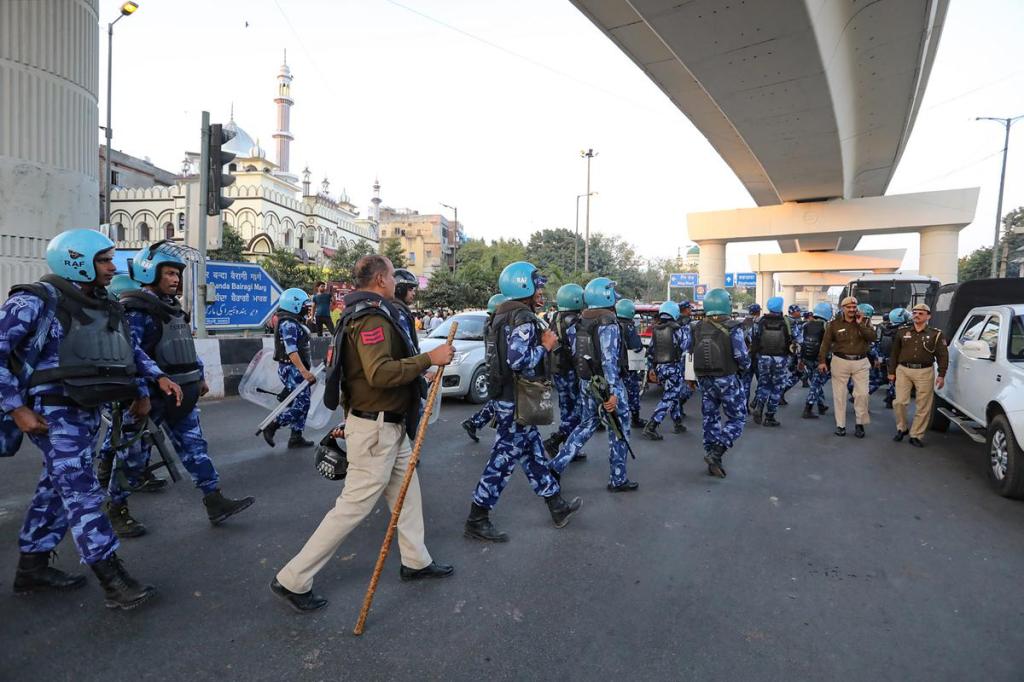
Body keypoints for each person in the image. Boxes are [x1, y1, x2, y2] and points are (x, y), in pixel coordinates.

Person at [1, 228, 184, 609]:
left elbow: (127, 352)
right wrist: (16, 408)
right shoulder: (35, 301)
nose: (112, 267)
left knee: (56, 486)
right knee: (82, 490)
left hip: (86, 409)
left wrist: (153, 381)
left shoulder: (106, 303)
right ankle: (112, 578)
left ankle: (32, 567)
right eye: (103, 260)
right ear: (75, 261)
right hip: (51, 410)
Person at [271, 255, 456, 613]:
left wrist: (419, 375)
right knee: (353, 507)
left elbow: (353, 375)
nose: (393, 281)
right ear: (381, 279)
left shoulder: (364, 312)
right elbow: (379, 374)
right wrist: (428, 359)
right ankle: (292, 579)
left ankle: (416, 560)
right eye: (390, 274)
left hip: (388, 424)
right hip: (376, 428)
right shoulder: (371, 316)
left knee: (407, 491)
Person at [94, 241, 255, 538]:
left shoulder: (173, 309)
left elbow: (185, 347)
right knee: (131, 459)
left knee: (196, 450)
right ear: (150, 272)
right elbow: (130, 356)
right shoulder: (136, 309)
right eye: (168, 273)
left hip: (182, 394)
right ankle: (116, 509)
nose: (175, 279)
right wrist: (140, 395)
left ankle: (214, 500)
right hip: (150, 400)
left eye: (177, 274)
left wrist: (200, 377)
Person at [465, 262, 582, 542]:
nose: (541, 290)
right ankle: (477, 517)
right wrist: (545, 345)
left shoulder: (500, 315)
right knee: (503, 459)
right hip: (516, 399)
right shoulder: (523, 318)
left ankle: (557, 506)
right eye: (537, 285)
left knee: (533, 454)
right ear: (524, 287)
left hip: (507, 397)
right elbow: (518, 361)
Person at [551, 277, 638, 492]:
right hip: (606, 386)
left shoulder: (579, 321)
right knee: (619, 430)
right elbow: (609, 360)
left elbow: (576, 354)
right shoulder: (607, 322)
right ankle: (618, 479)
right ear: (606, 296)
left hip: (587, 382)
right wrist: (613, 392)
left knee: (586, 424)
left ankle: (556, 465)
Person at [690, 288, 750, 478]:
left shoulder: (695, 327)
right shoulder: (733, 327)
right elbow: (742, 357)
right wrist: (745, 368)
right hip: (727, 379)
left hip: (704, 380)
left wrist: (690, 378)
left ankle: (711, 458)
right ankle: (717, 452)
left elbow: (688, 354)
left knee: (710, 418)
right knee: (738, 418)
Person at [262, 289, 317, 448]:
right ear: (294, 305)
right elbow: (291, 350)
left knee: (301, 402)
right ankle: (272, 425)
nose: (306, 309)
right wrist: (304, 372)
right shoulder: (288, 324)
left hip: (295, 368)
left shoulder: (294, 321)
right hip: (292, 369)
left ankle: (296, 436)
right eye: (303, 306)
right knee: (303, 403)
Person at [889, 303, 949, 447]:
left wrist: (941, 374)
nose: (916, 315)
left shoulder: (936, 334)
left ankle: (916, 435)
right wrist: (891, 371)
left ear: (928, 316)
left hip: (925, 371)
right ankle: (902, 428)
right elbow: (894, 353)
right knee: (900, 402)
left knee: (923, 405)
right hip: (903, 370)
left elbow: (942, 355)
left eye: (921, 313)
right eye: (915, 312)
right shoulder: (902, 331)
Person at [818, 296, 876, 438]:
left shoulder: (865, 321)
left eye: (854, 307)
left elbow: (872, 338)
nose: (851, 309)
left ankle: (860, 424)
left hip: (861, 362)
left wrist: (860, 324)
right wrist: (822, 361)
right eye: (848, 307)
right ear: (843, 308)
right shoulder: (833, 324)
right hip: (840, 361)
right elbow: (825, 344)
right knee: (840, 395)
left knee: (862, 394)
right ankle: (840, 425)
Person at [542, 284, 585, 457]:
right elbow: (577, 350)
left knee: (566, 408)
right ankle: (556, 440)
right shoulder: (572, 321)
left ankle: (569, 449)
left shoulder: (556, 317)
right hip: (569, 371)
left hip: (558, 370)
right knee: (578, 410)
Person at [462, 293, 507, 443]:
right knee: (502, 401)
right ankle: (475, 422)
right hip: (498, 369)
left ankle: (474, 422)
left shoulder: (489, 324)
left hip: (492, 367)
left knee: (498, 401)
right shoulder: (498, 326)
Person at [642, 301, 688, 440]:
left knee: (673, 394)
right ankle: (652, 425)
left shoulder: (656, 330)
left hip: (660, 368)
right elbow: (686, 345)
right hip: (674, 367)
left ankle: (677, 422)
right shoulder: (677, 329)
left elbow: (650, 352)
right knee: (669, 397)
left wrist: (651, 368)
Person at [750, 296, 793, 427]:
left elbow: (754, 339)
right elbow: (794, 340)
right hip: (780, 358)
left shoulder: (761, 321)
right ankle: (770, 417)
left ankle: (759, 406)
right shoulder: (787, 321)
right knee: (777, 387)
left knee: (764, 384)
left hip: (763, 357)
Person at [616, 299, 647, 429]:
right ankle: (635, 419)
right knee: (633, 391)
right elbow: (636, 346)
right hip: (627, 365)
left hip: (613, 365)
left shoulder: (612, 323)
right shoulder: (629, 326)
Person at [800, 302, 834, 419]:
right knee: (816, 383)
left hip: (807, 358)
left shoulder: (806, 325)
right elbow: (829, 345)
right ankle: (808, 408)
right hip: (820, 360)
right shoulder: (826, 326)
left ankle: (821, 405)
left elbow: (801, 342)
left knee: (816, 381)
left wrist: (801, 359)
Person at [874, 307, 908, 408]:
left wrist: (879, 357)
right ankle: (890, 399)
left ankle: (889, 398)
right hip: (895, 358)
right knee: (893, 380)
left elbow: (878, 342)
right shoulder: (901, 330)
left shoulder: (885, 328)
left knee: (885, 379)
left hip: (885, 357)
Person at [779, 304, 806, 405]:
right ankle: (780, 392)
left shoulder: (783, 320)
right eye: (798, 311)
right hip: (791, 353)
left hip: (781, 352)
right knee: (797, 374)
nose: (799, 313)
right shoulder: (793, 322)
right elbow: (799, 339)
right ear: (793, 312)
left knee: (783, 375)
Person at [741, 303, 761, 407]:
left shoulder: (743, 323)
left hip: (746, 357)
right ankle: (756, 400)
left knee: (745, 384)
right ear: (758, 311)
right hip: (758, 356)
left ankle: (745, 407)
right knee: (762, 382)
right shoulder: (761, 323)